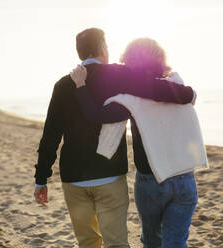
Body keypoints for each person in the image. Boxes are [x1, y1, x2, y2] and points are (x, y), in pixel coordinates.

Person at [33, 29, 196, 248]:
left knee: (87, 242)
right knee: (117, 244)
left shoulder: (63, 85)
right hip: (109, 176)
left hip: (73, 179)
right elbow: (156, 89)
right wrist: (189, 94)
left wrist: (41, 178)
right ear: (102, 48)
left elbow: (51, 134)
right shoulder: (119, 75)